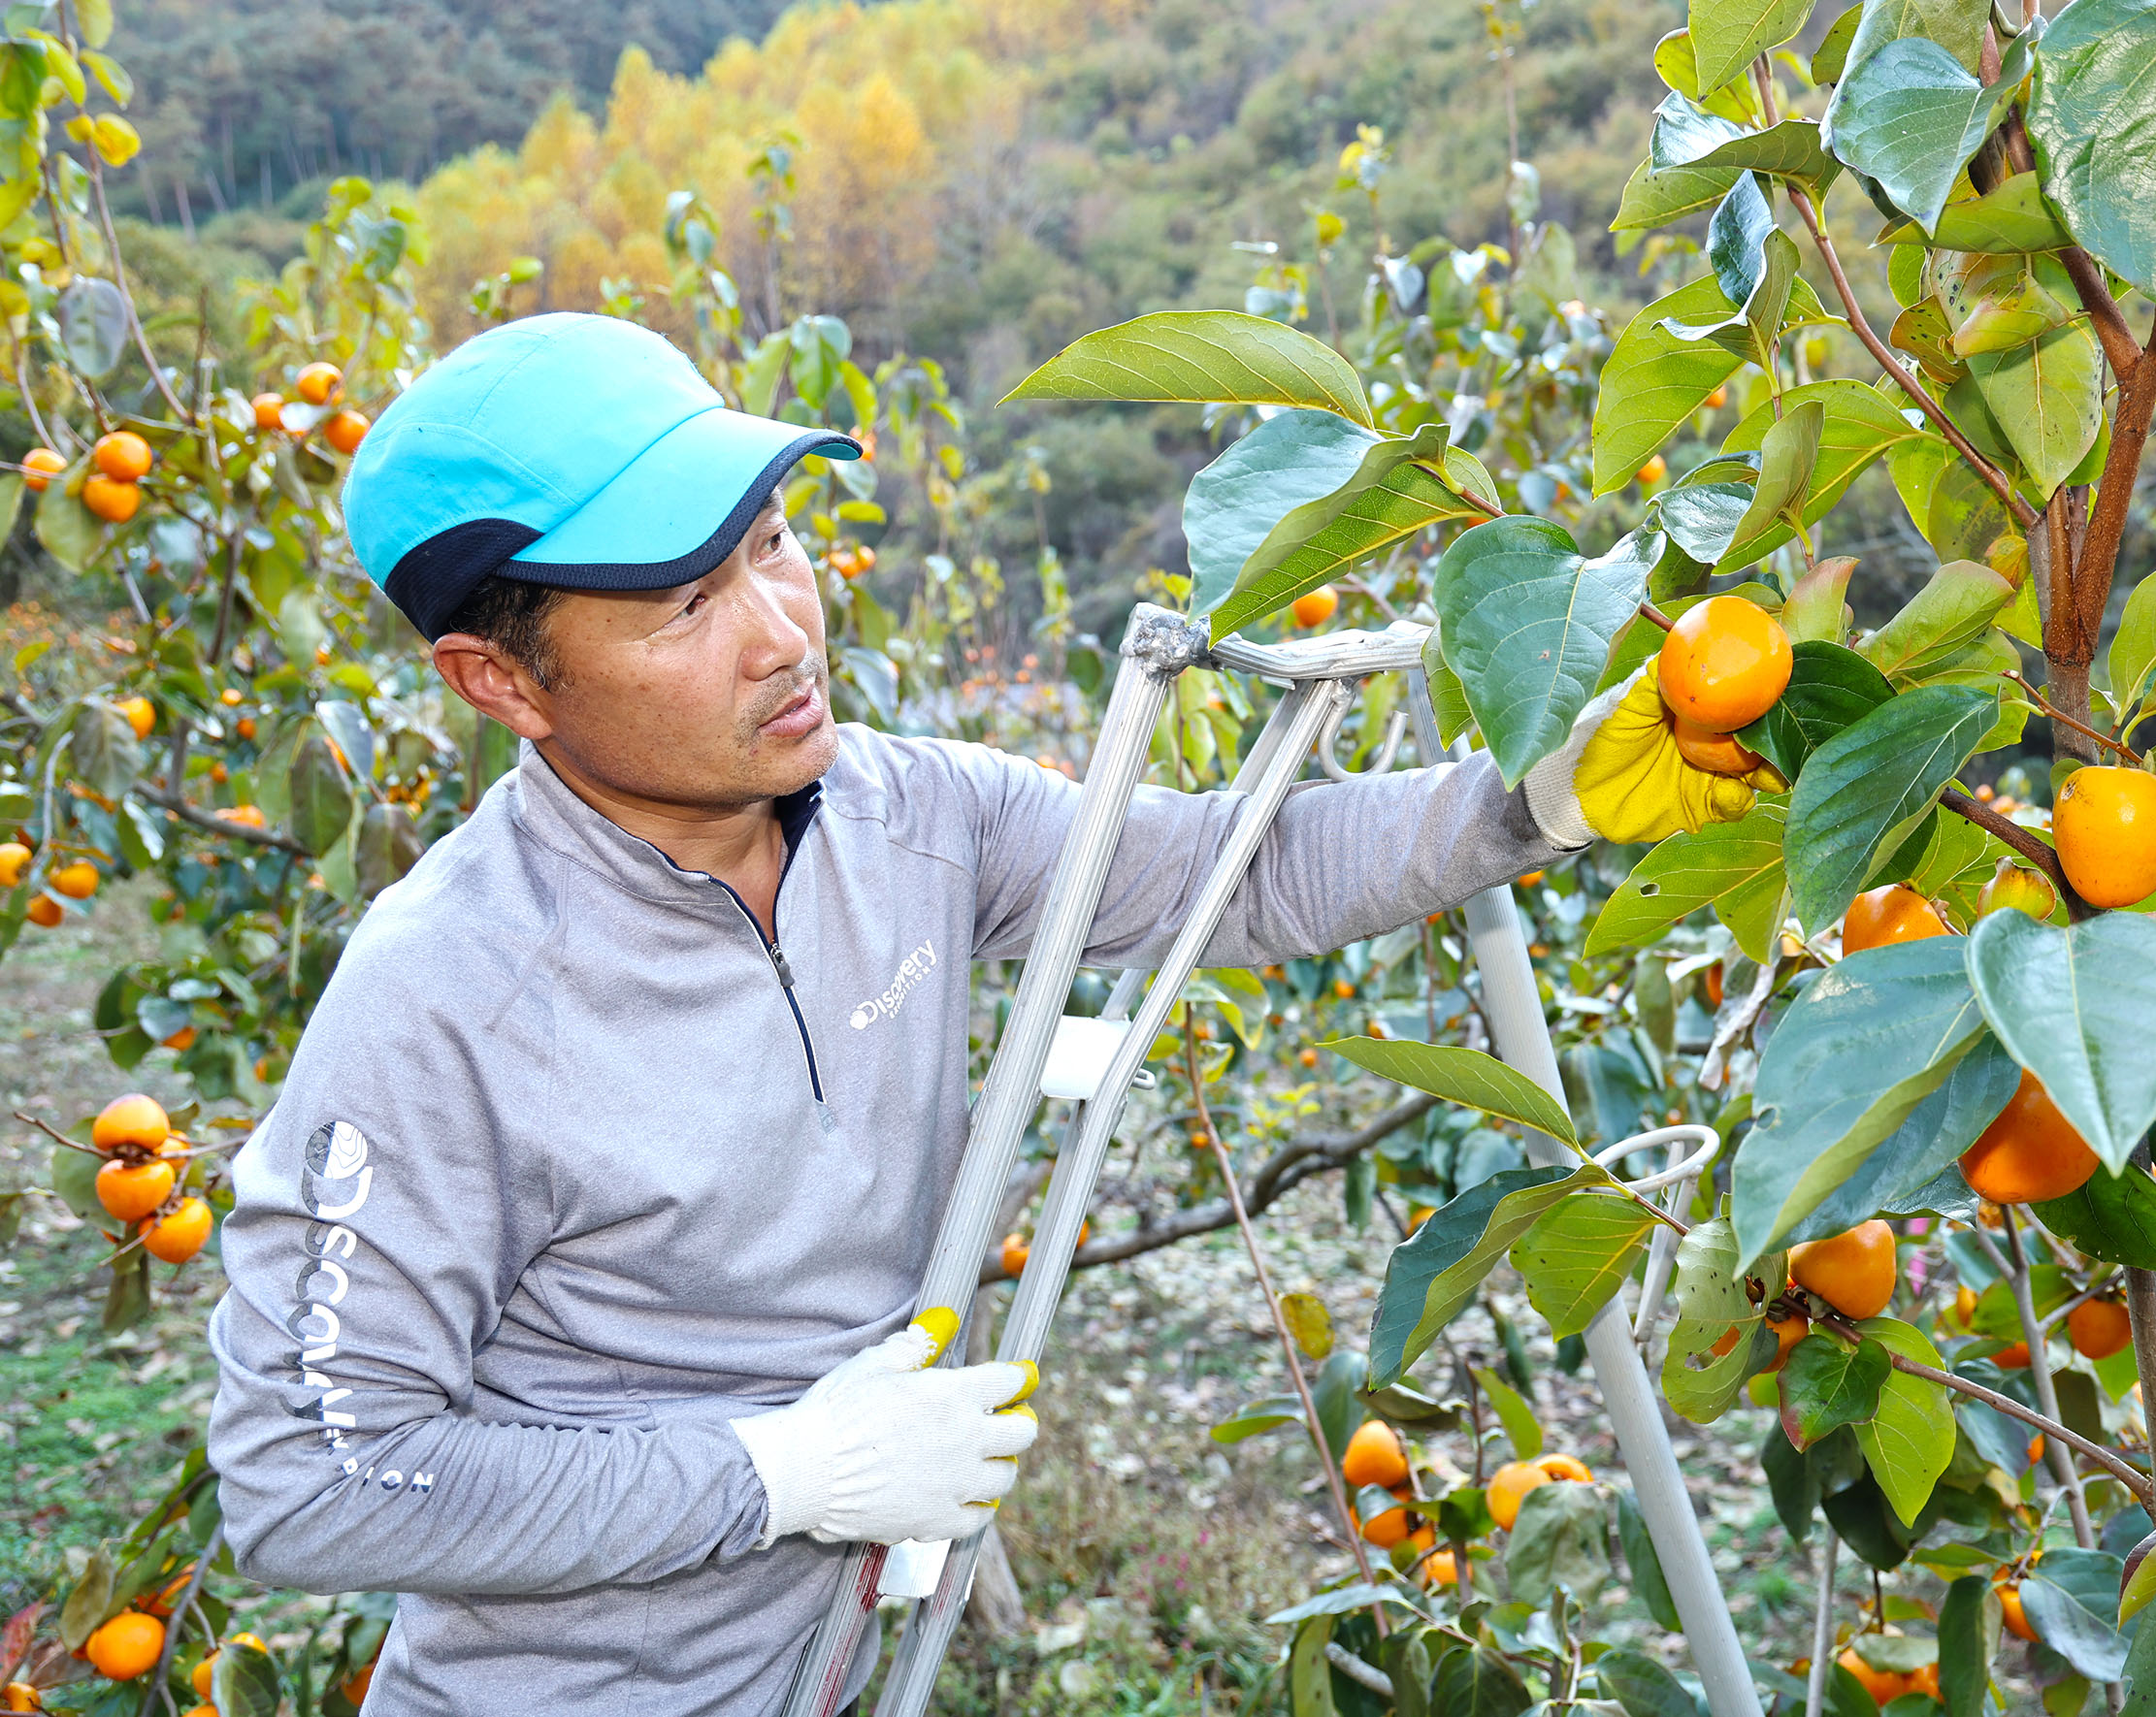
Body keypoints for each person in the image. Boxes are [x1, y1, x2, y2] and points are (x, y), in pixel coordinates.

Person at [204, 312, 1736, 1714]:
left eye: (774, 544)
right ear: (503, 683)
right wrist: (777, 1471)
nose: (782, 631)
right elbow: (310, 1478)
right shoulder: (444, 999)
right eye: (681, 603)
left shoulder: (907, 816)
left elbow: (1227, 873)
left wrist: (1535, 795)